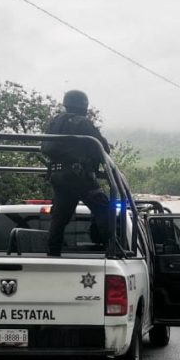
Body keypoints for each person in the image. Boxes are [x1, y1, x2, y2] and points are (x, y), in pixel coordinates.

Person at [42, 89, 115, 257]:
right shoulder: (82, 123)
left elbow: (45, 147)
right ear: (84, 106)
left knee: (60, 218)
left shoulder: (56, 122)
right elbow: (103, 148)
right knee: (104, 208)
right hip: (79, 177)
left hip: (58, 176)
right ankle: (112, 249)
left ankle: (53, 254)